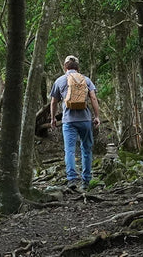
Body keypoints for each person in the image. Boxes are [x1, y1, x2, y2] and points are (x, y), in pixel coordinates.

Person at [49, 54, 102, 191]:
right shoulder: (86, 80)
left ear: (65, 66)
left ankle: (72, 179)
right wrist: (97, 116)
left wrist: (53, 118)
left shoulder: (60, 80)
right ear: (77, 67)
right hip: (85, 120)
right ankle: (86, 180)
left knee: (70, 151)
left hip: (68, 121)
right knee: (86, 149)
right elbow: (93, 98)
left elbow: (54, 101)